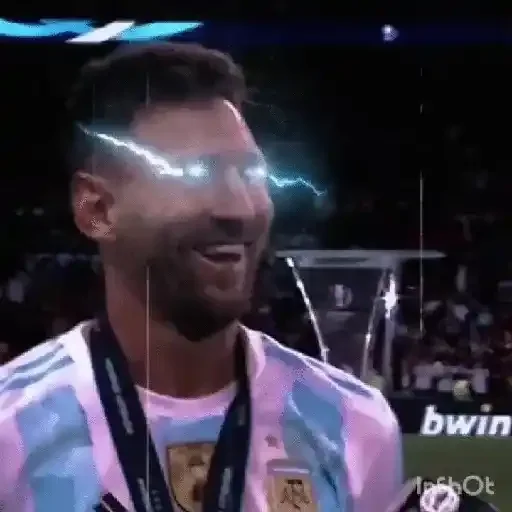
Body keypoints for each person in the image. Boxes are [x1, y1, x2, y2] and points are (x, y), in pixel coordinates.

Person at [0, 43, 402, 511]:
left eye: (251, 172)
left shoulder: (353, 425)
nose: (240, 209)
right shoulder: (11, 429)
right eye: (192, 174)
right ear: (98, 209)